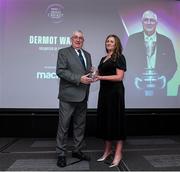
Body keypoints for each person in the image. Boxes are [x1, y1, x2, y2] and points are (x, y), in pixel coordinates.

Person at [56, 30, 92, 167]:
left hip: (83, 96)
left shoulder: (87, 55)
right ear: (71, 39)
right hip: (68, 96)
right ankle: (61, 154)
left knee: (80, 126)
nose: (78, 40)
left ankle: (77, 150)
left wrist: (92, 74)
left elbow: (86, 72)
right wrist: (79, 79)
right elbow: (60, 71)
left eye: (81, 38)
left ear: (83, 40)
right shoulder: (63, 52)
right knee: (63, 126)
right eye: (76, 37)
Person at [124, 10, 177, 99]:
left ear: (156, 23)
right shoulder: (132, 39)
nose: (149, 23)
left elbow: (173, 65)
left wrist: (165, 78)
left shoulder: (167, 41)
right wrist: (134, 78)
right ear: (142, 22)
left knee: (158, 111)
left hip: (160, 90)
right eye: (146, 20)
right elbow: (125, 62)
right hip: (137, 89)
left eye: (152, 20)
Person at [96, 34, 126, 168]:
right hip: (104, 93)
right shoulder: (104, 58)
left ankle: (118, 153)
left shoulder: (119, 57)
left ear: (116, 44)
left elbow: (119, 77)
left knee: (116, 122)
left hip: (115, 93)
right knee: (106, 121)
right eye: (107, 41)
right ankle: (107, 151)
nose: (108, 43)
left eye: (111, 41)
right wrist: (95, 73)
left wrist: (100, 78)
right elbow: (100, 73)